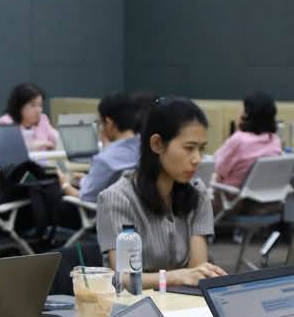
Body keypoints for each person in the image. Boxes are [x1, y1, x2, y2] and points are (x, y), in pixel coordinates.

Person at [96, 96, 226, 288]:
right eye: (189, 148)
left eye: (201, 149)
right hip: (137, 303)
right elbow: (123, 279)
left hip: (184, 299)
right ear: (157, 144)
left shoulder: (197, 194)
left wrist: (188, 276)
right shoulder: (117, 198)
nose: (197, 159)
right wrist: (176, 277)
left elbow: (197, 271)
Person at [63, 92, 141, 203]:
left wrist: (64, 184)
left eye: (100, 123)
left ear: (109, 123)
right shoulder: (148, 149)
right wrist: (85, 180)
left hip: (108, 211)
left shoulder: (105, 160)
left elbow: (87, 197)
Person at [212, 90, 283, 191]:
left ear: (246, 114)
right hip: (262, 195)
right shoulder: (275, 141)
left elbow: (218, 168)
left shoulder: (239, 140)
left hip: (230, 195)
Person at [0, 83, 59, 149]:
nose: (38, 110)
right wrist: (40, 144)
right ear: (19, 106)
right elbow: (6, 148)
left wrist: (53, 143)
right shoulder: (5, 123)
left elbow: (58, 139)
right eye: (33, 105)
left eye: (40, 105)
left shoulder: (42, 120)